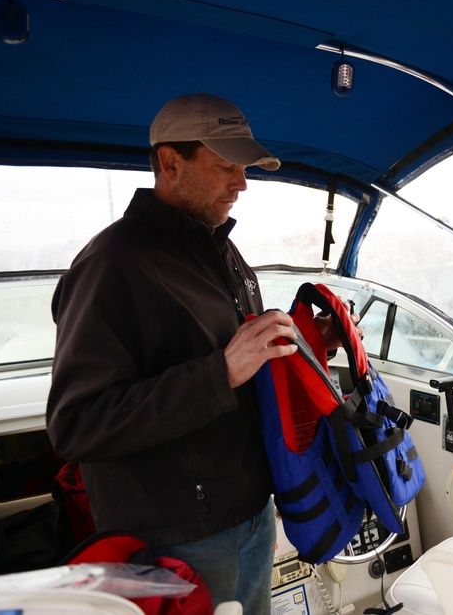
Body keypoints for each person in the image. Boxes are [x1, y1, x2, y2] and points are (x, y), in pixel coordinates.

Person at [48, 93, 332, 614]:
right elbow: (77, 424)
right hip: (178, 534)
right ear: (170, 162)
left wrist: (311, 347)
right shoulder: (111, 265)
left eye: (243, 168)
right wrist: (219, 373)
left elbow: (243, 362)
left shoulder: (217, 247)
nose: (241, 184)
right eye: (225, 166)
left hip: (249, 510)